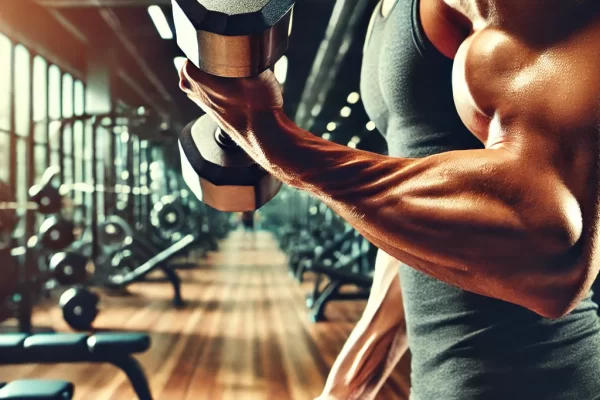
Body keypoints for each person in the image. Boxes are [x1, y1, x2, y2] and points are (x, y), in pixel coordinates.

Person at [178, 0, 600, 398]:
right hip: (437, 381)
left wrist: (280, 145)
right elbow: (419, 219)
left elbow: (555, 250)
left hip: (544, 380)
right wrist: (350, 379)